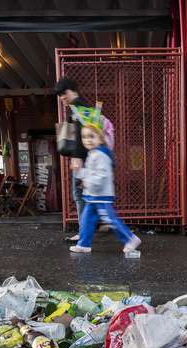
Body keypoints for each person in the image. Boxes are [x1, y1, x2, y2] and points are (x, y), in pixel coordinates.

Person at [69, 105, 140, 255]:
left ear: (100, 138)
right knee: (87, 220)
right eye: (84, 137)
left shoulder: (101, 155)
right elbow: (91, 173)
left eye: (91, 136)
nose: (87, 140)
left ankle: (130, 238)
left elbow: (102, 175)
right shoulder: (94, 153)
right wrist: (80, 172)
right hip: (93, 196)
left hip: (101, 196)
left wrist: (87, 180)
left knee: (110, 219)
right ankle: (84, 244)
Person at [55, 77, 115, 242]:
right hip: (91, 159)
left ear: (73, 90)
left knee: (80, 195)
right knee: (90, 194)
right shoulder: (83, 107)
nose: (62, 98)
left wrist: (77, 157)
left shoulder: (79, 109)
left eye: (63, 93)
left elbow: (82, 137)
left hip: (84, 159)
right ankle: (102, 222)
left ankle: (86, 232)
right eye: (59, 95)